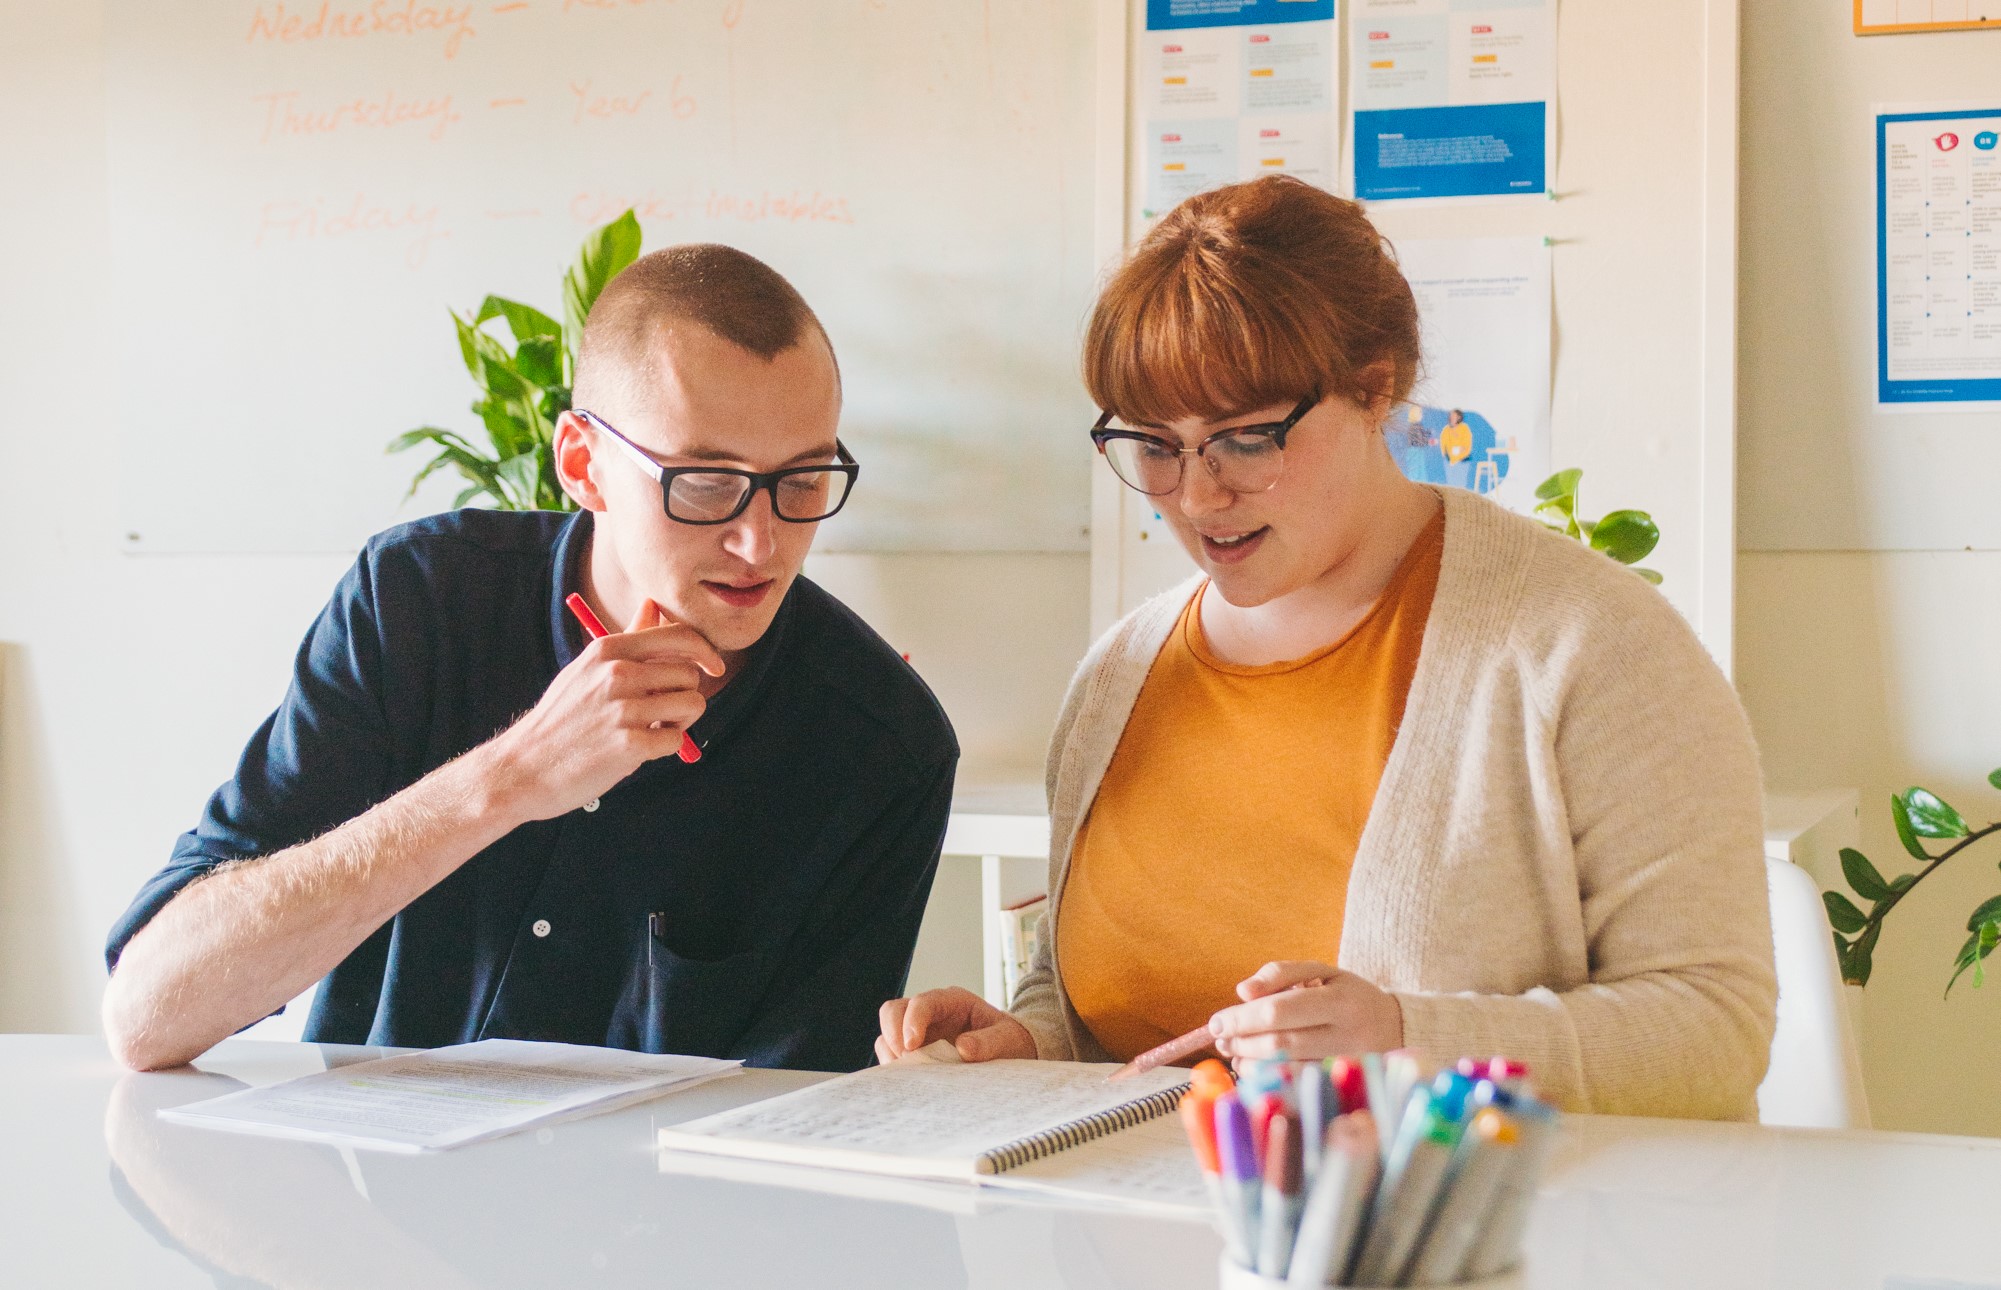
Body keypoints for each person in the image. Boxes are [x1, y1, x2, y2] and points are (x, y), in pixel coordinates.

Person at [877, 176, 1775, 1119]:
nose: (1196, 495)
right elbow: (1105, 1014)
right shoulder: (1118, 677)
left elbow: (1713, 1030)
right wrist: (1021, 1043)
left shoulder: (1588, 645)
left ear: (1372, 387)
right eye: (1154, 446)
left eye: (1245, 440)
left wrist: (1404, 1039)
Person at [103, 244, 958, 1073]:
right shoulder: (418, 601)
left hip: (663, 1219)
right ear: (583, 465)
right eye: (703, 481)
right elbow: (149, 1015)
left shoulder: (883, 744)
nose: (758, 540)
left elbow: (790, 1126)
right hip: (361, 1200)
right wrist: (508, 780)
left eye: (803, 479)